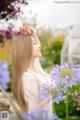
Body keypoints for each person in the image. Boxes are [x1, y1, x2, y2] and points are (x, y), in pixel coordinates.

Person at [11, 24, 56, 117]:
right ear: (25, 49)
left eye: (36, 43)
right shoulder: (29, 78)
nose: (39, 46)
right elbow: (35, 113)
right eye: (34, 44)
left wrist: (33, 33)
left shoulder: (35, 69)